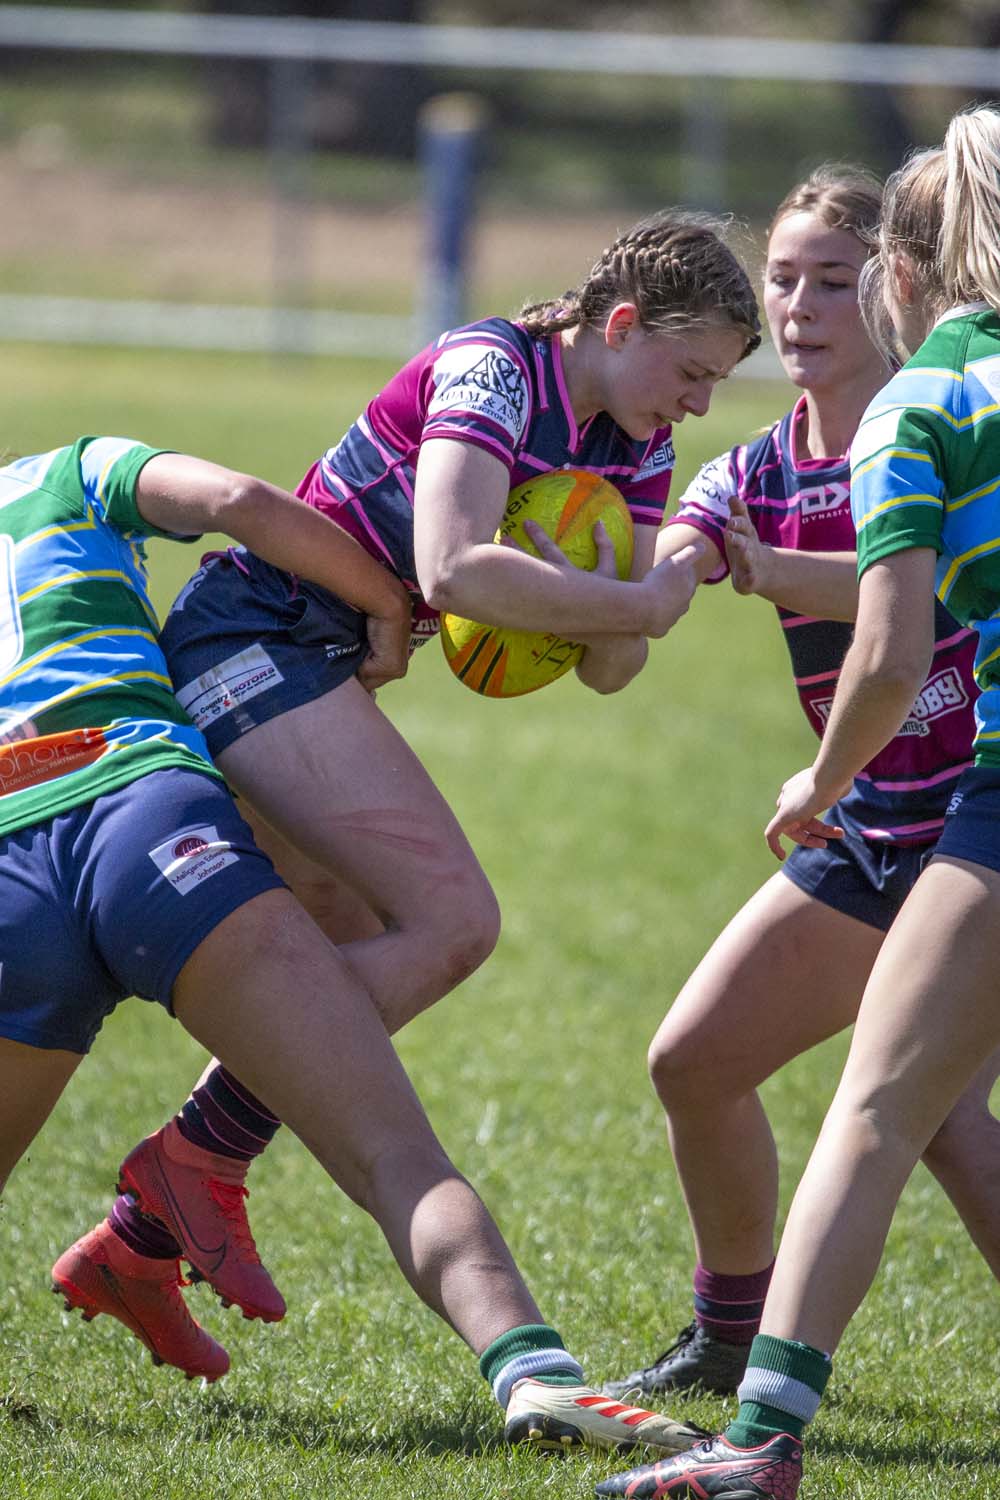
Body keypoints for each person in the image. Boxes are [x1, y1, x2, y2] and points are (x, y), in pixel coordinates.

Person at [54, 212, 762, 1361]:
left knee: (336, 942)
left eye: (715, 384)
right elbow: (454, 565)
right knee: (447, 923)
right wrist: (628, 603)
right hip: (255, 633)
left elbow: (612, 669)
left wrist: (637, 593)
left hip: (322, 661)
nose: (697, 404)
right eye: (690, 372)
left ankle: (140, 1239)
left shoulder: (631, 447)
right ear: (620, 323)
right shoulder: (494, 369)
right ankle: (193, 1166)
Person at [4, 433, 709, 1456]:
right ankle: (538, 1376)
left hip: (10, 876)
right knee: (392, 1154)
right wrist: (383, 602)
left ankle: (152, 1229)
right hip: (143, 819)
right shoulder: (63, 472)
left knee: (346, 911)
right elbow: (238, 499)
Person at [595, 104, 1000, 1498]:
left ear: (895, 279)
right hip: (877, 838)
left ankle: (762, 1441)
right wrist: (618, 586)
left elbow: (902, 632)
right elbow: (672, 569)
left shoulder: (922, 415)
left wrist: (812, 761)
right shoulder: (760, 465)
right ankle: (732, 1351)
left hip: (955, 814)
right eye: (783, 278)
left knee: (899, 1111)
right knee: (719, 1063)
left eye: (836, 277)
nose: (804, 302)